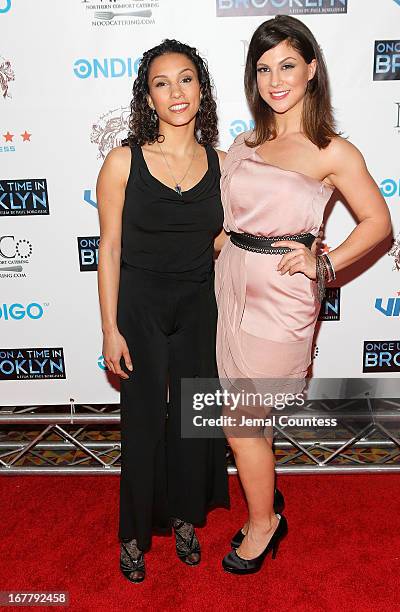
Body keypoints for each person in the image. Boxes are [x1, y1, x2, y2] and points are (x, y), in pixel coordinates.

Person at [215, 15, 392, 575]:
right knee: (246, 419)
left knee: (242, 420)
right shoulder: (246, 141)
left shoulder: (332, 150)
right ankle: (265, 502)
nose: (275, 79)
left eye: (287, 64)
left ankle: (264, 523)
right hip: (230, 284)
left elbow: (377, 224)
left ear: (312, 70)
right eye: (263, 68)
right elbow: (227, 217)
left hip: (282, 294)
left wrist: (325, 262)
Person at [96, 39, 229, 583]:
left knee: (194, 420)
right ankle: (131, 533)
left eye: (186, 79)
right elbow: (108, 248)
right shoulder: (123, 161)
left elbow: (225, 238)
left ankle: (183, 516)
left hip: (200, 303)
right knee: (144, 422)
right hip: (141, 307)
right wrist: (110, 329)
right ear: (148, 97)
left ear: (201, 88)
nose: (176, 91)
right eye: (161, 82)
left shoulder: (222, 163)